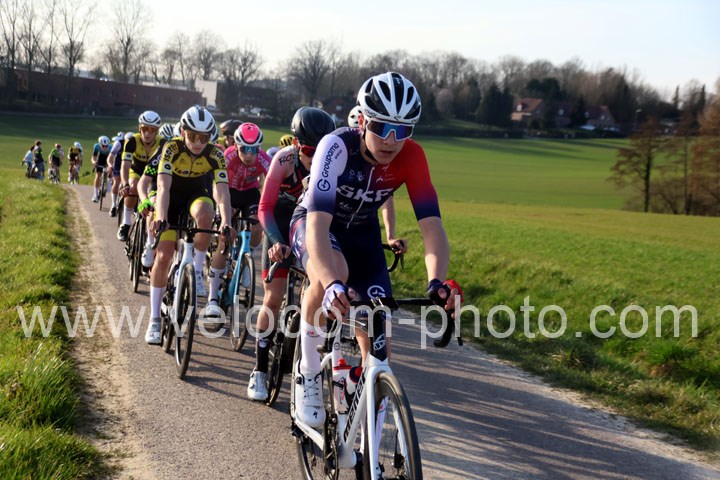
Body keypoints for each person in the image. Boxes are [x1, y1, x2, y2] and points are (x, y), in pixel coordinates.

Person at [289, 72, 460, 427]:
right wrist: (332, 283)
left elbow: (432, 226)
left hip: (363, 232)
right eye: (382, 127)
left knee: (380, 345)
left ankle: (367, 426)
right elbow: (318, 226)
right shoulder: (336, 147)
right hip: (317, 223)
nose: (391, 140)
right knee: (332, 273)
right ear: (363, 121)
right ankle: (308, 369)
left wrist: (437, 282)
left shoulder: (412, 156)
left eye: (403, 130)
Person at [248, 107, 336, 401]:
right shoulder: (284, 161)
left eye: (321, 150)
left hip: (313, 227)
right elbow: (264, 208)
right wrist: (275, 241)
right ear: (297, 145)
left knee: (317, 289)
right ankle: (260, 369)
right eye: (309, 151)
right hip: (281, 224)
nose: (315, 158)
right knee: (273, 298)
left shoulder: (334, 163)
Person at [145, 105, 233, 344]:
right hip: (171, 197)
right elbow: (162, 187)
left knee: (205, 215)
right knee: (164, 256)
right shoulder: (171, 148)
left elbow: (222, 191)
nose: (197, 142)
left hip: (197, 194)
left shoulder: (215, 154)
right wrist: (161, 217)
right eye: (193, 136)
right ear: (183, 131)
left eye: (204, 137)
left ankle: (196, 266)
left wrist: (226, 222)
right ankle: (154, 318)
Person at [223, 122, 271, 249]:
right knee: (225, 233)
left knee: (256, 228)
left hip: (250, 194)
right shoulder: (228, 155)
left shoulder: (264, 159)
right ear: (236, 146)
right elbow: (217, 183)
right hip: (229, 192)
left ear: (259, 148)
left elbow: (274, 184)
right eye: (244, 149)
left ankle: (246, 254)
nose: (249, 155)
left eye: (254, 150)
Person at [117, 111, 164, 241]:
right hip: (136, 170)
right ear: (139, 128)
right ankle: (126, 223)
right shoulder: (132, 141)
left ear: (157, 131)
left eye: (152, 130)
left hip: (153, 173)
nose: (147, 133)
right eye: (144, 129)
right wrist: (125, 183)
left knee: (156, 198)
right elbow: (125, 165)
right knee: (133, 187)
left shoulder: (163, 143)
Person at [107, 132, 125, 217]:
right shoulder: (119, 143)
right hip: (118, 163)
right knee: (117, 181)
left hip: (130, 164)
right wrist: (110, 165)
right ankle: (113, 205)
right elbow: (110, 157)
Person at [91, 136, 112, 202]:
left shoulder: (111, 147)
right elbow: (93, 157)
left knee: (111, 171)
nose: (105, 147)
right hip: (100, 159)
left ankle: (109, 182)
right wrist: (94, 162)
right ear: (100, 144)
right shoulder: (96, 146)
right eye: (103, 146)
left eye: (106, 146)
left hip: (109, 159)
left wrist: (111, 166)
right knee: (97, 176)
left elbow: (113, 158)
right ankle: (95, 195)